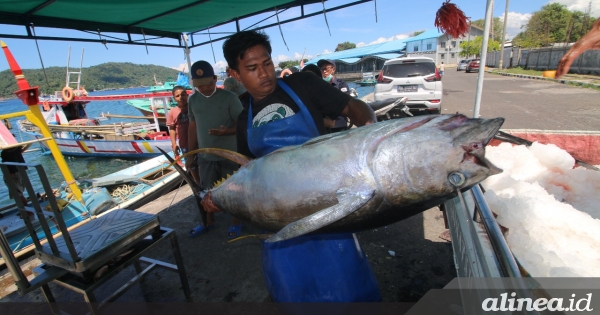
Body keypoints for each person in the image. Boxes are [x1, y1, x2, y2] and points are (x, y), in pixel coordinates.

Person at [202, 29, 379, 302]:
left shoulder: (303, 85)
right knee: (293, 293)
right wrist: (220, 197)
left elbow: (353, 107)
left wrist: (370, 131)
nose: (264, 74)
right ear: (235, 74)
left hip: (326, 207)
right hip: (277, 220)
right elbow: (247, 173)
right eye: (252, 68)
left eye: (267, 64)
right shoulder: (243, 115)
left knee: (348, 288)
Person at [185, 60, 244, 239]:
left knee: (233, 190)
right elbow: (192, 128)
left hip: (230, 154)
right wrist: (190, 154)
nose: (204, 88)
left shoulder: (229, 97)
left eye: (208, 84)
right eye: (199, 86)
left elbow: (242, 123)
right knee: (206, 190)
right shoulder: (193, 100)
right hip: (206, 156)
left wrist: (227, 131)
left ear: (215, 80)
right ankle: (208, 221)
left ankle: (236, 222)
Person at [166, 86, 195, 178]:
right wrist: (174, 144)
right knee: (192, 168)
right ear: (174, 98)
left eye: (183, 95)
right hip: (185, 145)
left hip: (198, 143)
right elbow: (172, 129)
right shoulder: (172, 112)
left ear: (187, 95)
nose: (181, 97)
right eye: (177, 96)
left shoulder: (193, 107)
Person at [317, 59, 352, 133]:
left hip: (339, 125)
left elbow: (344, 103)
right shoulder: (320, 86)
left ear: (333, 69)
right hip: (324, 126)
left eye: (326, 68)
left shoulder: (341, 84)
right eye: (322, 69)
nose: (324, 71)